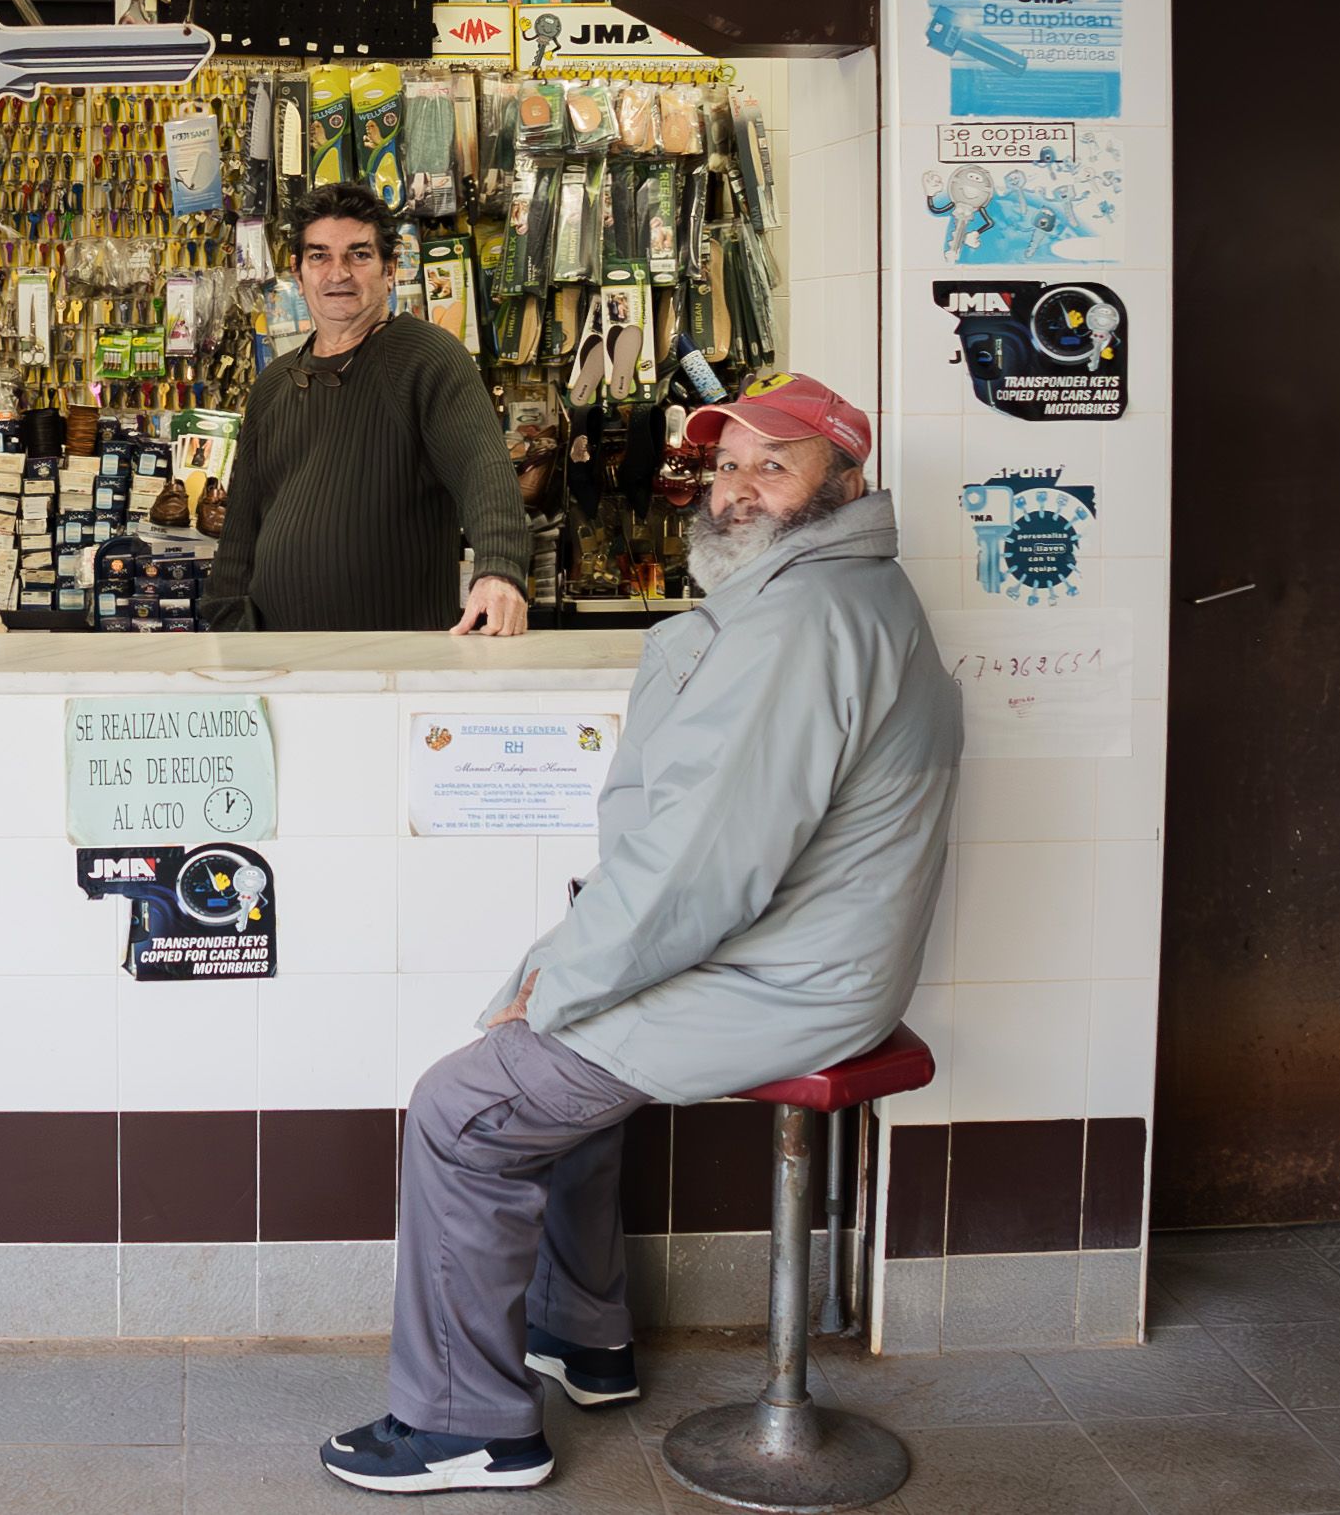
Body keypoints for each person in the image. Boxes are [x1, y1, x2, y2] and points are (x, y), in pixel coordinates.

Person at [320, 371, 961, 1494]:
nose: (737, 489)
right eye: (726, 464)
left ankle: (468, 1426)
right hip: (797, 955)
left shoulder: (802, 622)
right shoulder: (829, 593)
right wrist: (578, 972)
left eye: (774, 464)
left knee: (466, 1109)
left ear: (847, 482)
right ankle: (583, 1336)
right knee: (560, 1071)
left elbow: (700, 867)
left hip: (782, 977)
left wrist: (562, 981)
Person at [201, 183, 532, 635]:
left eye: (358, 255)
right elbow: (240, 532)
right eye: (319, 256)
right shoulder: (274, 383)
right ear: (298, 272)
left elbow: (483, 470)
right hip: (280, 658)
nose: (338, 274)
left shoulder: (426, 356)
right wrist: (226, 627)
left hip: (397, 660)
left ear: (389, 269)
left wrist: (499, 571)